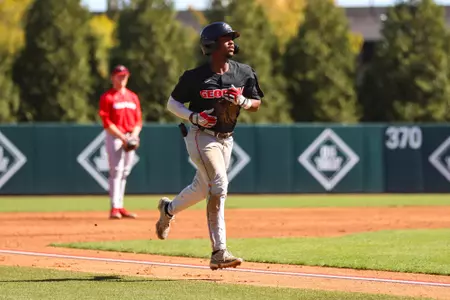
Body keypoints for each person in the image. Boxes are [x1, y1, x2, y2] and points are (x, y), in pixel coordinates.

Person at [155, 22, 264, 270]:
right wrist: (194, 117)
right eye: (226, 38)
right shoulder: (194, 77)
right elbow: (172, 104)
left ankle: (168, 210)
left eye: (232, 38)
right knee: (219, 184)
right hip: (200, 136)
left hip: (227, 139)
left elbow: (256, 102)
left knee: (201, 188)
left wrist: (244, 101)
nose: (232, 42)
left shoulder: (243, 72)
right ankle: (219, 251)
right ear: (211, 45)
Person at [98, 65, 142, 220]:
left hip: (130, 136)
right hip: (116, 136)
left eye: (125, 76)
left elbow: (138, 120)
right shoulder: (108, 97)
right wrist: (123, 137)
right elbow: (107, 122)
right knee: (116, 171)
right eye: (119, 76)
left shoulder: (132, 97)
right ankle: (114, 207)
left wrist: (134, 136)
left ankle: (120, 206)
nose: (122, 78)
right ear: (113, 78)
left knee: (125, 172)